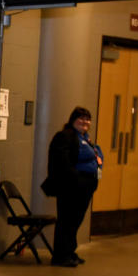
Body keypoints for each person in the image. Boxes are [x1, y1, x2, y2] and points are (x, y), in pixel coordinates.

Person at [45, 106, 103, 267]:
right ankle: (61, 255)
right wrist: (77, 180)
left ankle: (69, 251)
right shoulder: (65, 137)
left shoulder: (86, 138)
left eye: (87, 119)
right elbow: (62, 162)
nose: (84, 122)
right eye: (81, 118)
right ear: (73, 120)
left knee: (75, 221)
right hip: (71, 187)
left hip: (85, 187)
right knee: (66, 221)